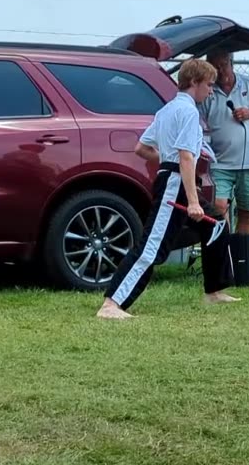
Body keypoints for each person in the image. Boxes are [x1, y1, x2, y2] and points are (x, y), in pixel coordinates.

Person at [96, 59, 239, 319]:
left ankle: (214, 291)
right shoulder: (187, 112)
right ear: (194, 82)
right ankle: (112, 304)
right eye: (208, 85)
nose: (210, 91)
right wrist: (193, 201)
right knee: (152, 247)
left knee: (216, 224)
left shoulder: (166, 111)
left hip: (175, 178)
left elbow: (142, 148)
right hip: (175, 183)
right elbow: (186, 157)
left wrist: (165, 158)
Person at [200, 50, 249, 235]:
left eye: (223, 66)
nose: (220, 71)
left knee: (246, 212)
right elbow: (197, 120)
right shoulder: (207, 91)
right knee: (218, 207)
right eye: (214, 67)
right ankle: (224, 249)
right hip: (220, 163)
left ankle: (241, 256)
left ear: (231, 63)